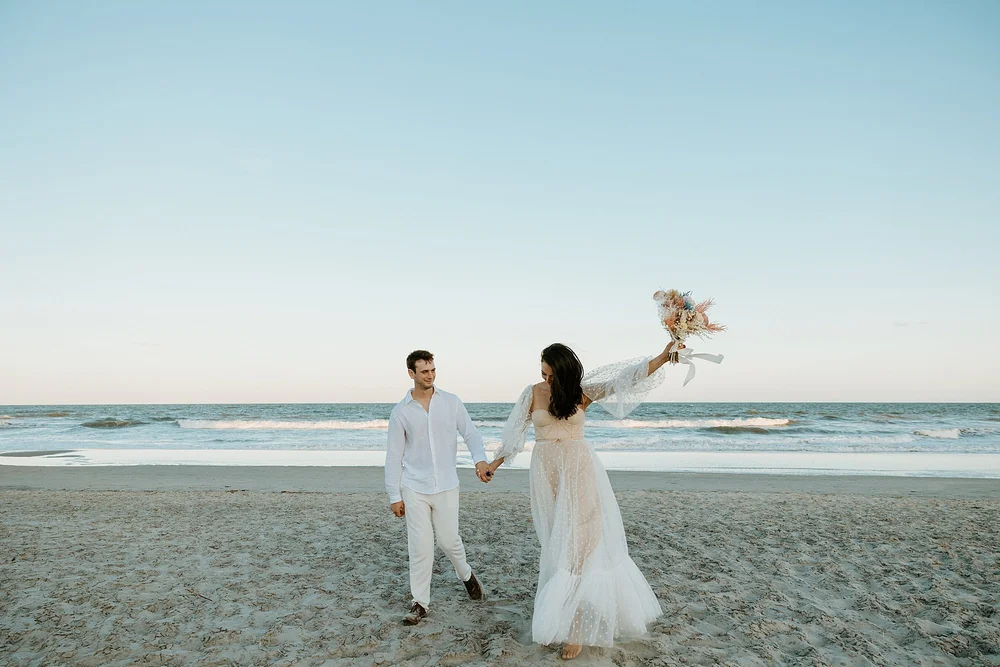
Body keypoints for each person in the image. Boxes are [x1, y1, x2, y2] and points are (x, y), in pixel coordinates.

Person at [485, 340, 683, 659]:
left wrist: (662, 357)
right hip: (546, 475)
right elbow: (514, 434)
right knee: (558, 545)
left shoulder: (583, 392)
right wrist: (493, 465)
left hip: (580, 470)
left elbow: (629, 378)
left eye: (551, 375)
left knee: (582, 546)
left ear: (564, 372)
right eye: (543, 373)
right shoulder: (532, 392)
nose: (546, 380)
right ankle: (562, 613)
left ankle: (576, 626)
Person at [385, 349, 493, 625]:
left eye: (433, 370)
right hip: (414, 487)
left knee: (448, 541)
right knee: (421, 546)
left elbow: (470, 433)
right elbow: (394, 456)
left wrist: (480, 460)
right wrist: (394, 495)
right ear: (411, 373)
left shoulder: (452, 402)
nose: (430, 375)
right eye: (424, 371)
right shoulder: (400, 413)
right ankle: (420, 603)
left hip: (446, 485)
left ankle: (466, 575)